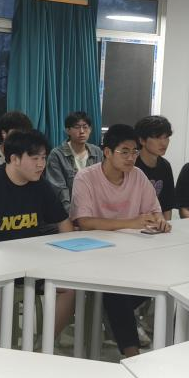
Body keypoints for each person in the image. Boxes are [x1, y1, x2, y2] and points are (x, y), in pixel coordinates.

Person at [0, 129, 77, 342]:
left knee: (70, 288)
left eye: (43, 158)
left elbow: (62, 221)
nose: (41, 164)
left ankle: (41, 346)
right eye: (35, 159)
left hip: (29, 263)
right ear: (14, 159)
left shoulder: (40, 185)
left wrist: (70, 257)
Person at [70, 124, 170, 357]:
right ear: (107, 152)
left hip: (131, 254)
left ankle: (121, 330)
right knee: (117, 293)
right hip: (94, 254)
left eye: (134, 152)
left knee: (156, 281)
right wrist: (131, 222)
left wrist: (159, 221)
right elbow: (84, 222)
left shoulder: (138, 175)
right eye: (124, 152)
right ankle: (132, 353)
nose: (131, 158)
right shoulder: (86, 177)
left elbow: (153, 211)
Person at [45, 110, 103, 212]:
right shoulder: (57, 154)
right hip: (68, 210)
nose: (82, 131)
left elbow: (102, 183)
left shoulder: (97, 152)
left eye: (85, 127)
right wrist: (72, 213)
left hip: (94, 208)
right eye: (77, 127)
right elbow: (59, 189)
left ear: (90, 129)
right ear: (68, 130)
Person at [134, 115, 176, 219]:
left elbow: (167, 206)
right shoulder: (131, 164)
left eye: (166, 138)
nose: (164, 143)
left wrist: (166, 224)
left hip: (158, 223)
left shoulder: (165, 166)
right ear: (142, 140)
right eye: (157, 138)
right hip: (132, 223)